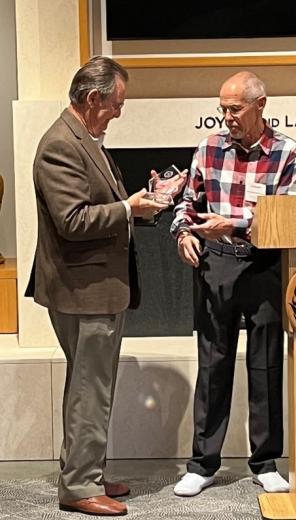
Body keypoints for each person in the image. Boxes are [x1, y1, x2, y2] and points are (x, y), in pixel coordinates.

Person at [25, 56, 186, 516]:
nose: (119, 112)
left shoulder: (85, 140)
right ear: (93, 98)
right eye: (116, 103)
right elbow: (72, 221)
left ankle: (85, 474)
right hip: (83, 291)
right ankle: (78, 487)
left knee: (90, 387)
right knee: (89, 389)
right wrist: (128, 209)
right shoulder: (60, 145)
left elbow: (101, 203)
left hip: (93, 288)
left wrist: (142, 199)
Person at [171, 71, 296, 497]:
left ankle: (264, 462)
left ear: (261, 105)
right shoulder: (208, 149)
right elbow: (187, 202)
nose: (227, 117)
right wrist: (183, 233)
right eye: (222, 109)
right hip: (216, 263)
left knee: (265, 364)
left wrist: (237, 223)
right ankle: (203, 463)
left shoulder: (288, 153)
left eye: (235, 109)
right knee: (213, 364)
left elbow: (290, 215)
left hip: (263, 263)